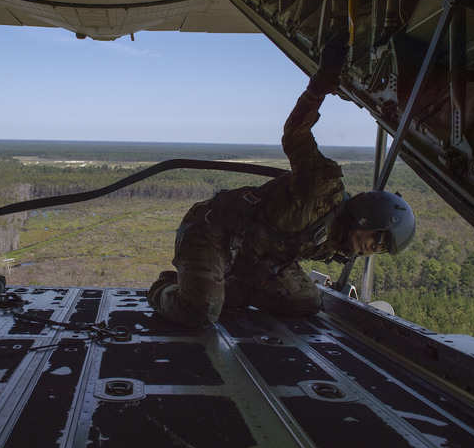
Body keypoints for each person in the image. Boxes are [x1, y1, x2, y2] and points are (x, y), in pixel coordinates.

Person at [147, 41, 415, 328]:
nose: (373, 248)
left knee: (306, 303)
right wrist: (318, 88)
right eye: (378, 238)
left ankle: (217, 286)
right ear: (367, 217)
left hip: (256, 259)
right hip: (213, 233)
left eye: (381, 248)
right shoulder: (322, 187)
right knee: (201, 311)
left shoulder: (337, 243)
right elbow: (295, 135)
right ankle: (165, 288)